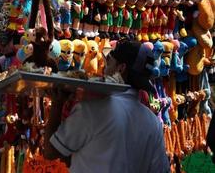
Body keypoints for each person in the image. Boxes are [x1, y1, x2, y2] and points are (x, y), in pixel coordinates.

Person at [44, 40, 170, 173]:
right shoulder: (153, 122)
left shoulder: (92, 109)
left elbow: (51, 152)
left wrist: (57, 105)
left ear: (121, 68)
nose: (104, 67)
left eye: (109, 61)